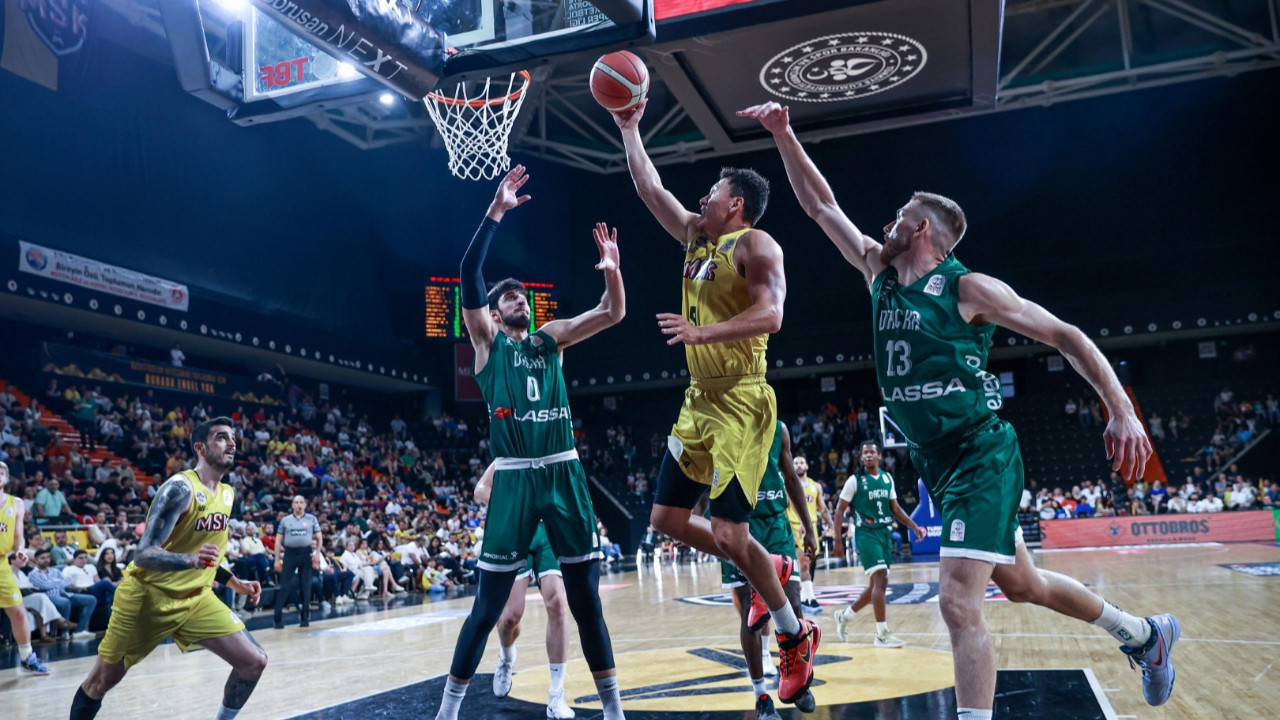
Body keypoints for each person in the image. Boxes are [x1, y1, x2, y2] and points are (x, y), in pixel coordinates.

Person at [745, 100, 1178, 716]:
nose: (886, 224)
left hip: (982, 452)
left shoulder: (968, 289)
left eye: (899, 218)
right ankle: (1144, 635)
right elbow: (821, 206)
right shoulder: (879, 272)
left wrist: (1121, 407)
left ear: (921, 229)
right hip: (937, 461)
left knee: (955, 601)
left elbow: (1066, 335)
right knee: (1023, 585)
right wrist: (784, 135)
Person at [613, 99, 820, 707]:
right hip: (699, 401)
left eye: (710, 192)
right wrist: (631, 129)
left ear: (735, 204)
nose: (699, 199)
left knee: (731, 534)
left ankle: (792, 633)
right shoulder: (694, 240)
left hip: (743, 403)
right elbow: (650, 188)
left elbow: (772, 313)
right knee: (666, 522)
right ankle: (771, 567)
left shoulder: (755, 244)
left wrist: (702, 332)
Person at [434, 165, 626, 720]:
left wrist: (612, 271)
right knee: (491, 606)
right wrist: (496, 211)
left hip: (563, 472)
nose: (520, 298)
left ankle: (611, 710)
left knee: (583, 600)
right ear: (494, 314)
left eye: (523, 294)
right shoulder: (488, 343)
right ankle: (448, 711)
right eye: (510, 296)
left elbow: (613, 313)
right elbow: (469, 271)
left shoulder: (552, 340)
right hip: (515, 474)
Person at [70, 417, 267, 720]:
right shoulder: (180, 488)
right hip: (148, 599)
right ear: (200, 448)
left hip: (196, 599)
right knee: (100, 683)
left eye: (233, 438)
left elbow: (208, 555)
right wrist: (191, 560)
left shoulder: (227, 494)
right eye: (221, 438)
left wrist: (233, 582)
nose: (231, 443)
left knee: (254, 661)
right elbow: (143, 554)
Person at [717, 421, 815, 719]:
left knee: (794, 603)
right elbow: (703, 475)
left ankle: (797, 679)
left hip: (775, 524)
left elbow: (791, 479)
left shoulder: (779, 428)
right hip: (737, 523)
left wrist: (809, 528)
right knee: (751, 614)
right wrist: (692, 521)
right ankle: (760, 694)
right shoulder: (722, 421)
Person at [475, 461, 576, 719]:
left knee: (557, 603)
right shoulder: (508, 456)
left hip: (548, 532)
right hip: (518, 531)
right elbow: (481, 490)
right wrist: (515, 508)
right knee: (510, 616)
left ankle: (556, 694)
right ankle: (507, 657)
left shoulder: (553, 450)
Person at [832, 440, 925, 647]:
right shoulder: (855, 481)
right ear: (861, 457)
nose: (868, 455)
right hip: (866, 534)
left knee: (876, 586)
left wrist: (913, 525)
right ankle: (881, 633)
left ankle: (845, 615)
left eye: (872, 452)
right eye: (864, 452)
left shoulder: (886, 478)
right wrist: (838, 538)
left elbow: (895, 508)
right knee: (881, 578)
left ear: (879, 456)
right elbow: (839, 510)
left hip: (884, 534)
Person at [1, 460, 52, 673]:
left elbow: (18, 539)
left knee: (19, 613)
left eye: (2, 471)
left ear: (7, 478)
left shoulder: (17, 503)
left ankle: (26, 657)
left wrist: (20, 551)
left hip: (2, 563)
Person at [785, 454, 832, 613]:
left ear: (807, 466)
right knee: (804, 564)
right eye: (795, 463)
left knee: (809, 566)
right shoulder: (787, 485)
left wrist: (832, 526)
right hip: (795, 528)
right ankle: (810, 600)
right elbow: (784, 509)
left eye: (801, 463)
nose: (798, 465)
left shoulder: (815, 486)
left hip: (811, 528)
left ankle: (803, 597)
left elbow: (823, 509)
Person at [273, 494, 322, 629]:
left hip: (306, 554)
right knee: (285, 585)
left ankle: (305, 618)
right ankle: (277, 619)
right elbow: (278, 540)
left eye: (301, 502)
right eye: (296, 502)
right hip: (290, 554)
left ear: (305, 505)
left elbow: (319, 537)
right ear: (292, 505)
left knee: (306, 586)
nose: (299, 504)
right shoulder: (285, 520)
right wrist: (277, 559)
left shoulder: (312, 519)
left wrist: (317, 553)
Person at [27, 548, 97, 639]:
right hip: (49, 597)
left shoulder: (54, 571)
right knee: (64, 602)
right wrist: (58, 582)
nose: (46, 560)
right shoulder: (33, 574)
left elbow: (67, 581)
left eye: (48, 557)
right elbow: (44, 585)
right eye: (43, 558)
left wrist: (55, 582)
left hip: (64, 593)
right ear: (36, 560)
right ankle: (65, 633)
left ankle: (79, 630)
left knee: (91, 600)